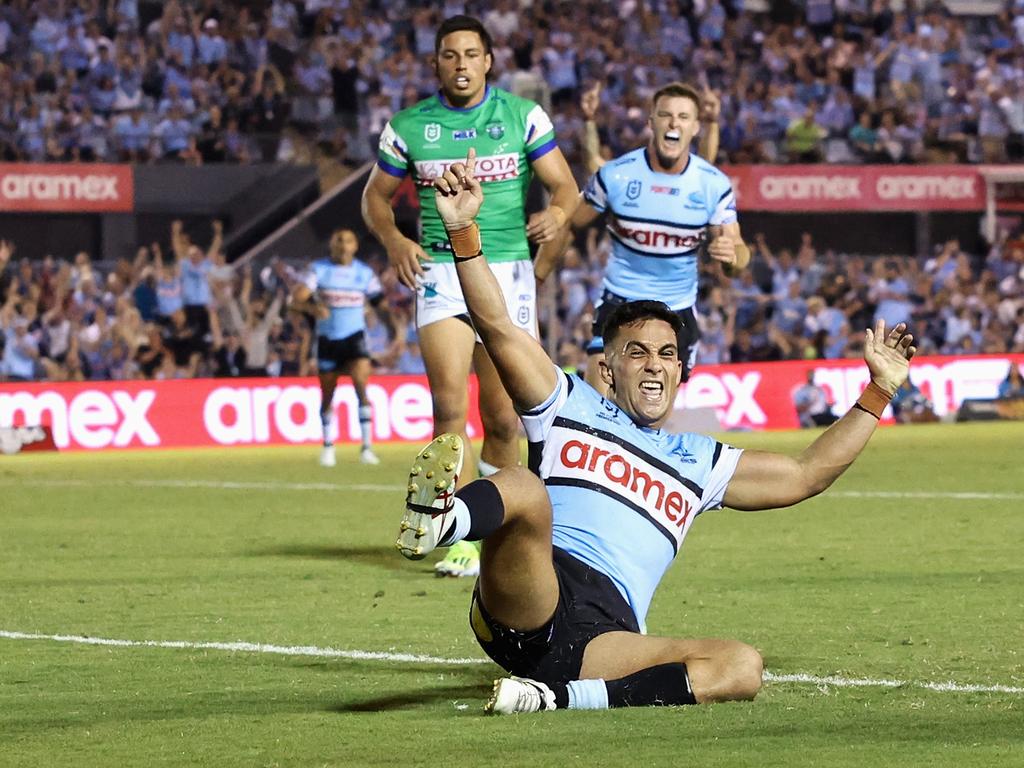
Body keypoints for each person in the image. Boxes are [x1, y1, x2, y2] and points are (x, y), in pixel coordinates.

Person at [395, 149, 916, 714]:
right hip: (531, 594)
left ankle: (555, 701)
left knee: (741, 666)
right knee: (524, 486)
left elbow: (806, 474)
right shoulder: (567, 403)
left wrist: (879, 391)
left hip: (605, 641)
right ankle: (442, 522)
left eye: (667, 354)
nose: (653, 364)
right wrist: (463, 229)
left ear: (680, 370)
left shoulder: (700, 461)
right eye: (636, 352)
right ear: (607, 368)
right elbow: (497, 326)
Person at [362, 14, 579, 577]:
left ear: (488, 61)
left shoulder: (522, 115)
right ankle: (458, 533)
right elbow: (376, 198)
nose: (461, 65)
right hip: (439, 270)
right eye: (450, 55)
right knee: (449, 406)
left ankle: (493, 523)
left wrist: (556, 214)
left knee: (505, 417)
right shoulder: (410, 126)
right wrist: (393, 240)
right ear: (436, 63)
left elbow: (566, 187)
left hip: (505, 271)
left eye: (471, 55)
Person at [535, 82, 748, 394]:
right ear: (651, 122)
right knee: (598, 410)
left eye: (683, 117)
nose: (674, 123)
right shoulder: (617, 176)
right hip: (618, 303)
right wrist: (535, 280)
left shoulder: (713, 185)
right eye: (665, 114)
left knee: (650, 422)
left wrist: (733, 258)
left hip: (677, 311)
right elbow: (568, 222)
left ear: (696, 127)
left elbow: (740, 254)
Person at [291, 228, 403, 468]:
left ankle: (366, 447)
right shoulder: (318, 270)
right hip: (328, 340)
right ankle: (328, 446)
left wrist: (394, 327)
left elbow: (379, 303)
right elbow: (296, 300)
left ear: (355, 246)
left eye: (348, 241)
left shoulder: (364, 274)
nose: (344, 245)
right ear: (331, 245)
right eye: (339, 240)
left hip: (355, 338)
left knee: (362, 387)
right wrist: (313, 309)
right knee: (328, 393)